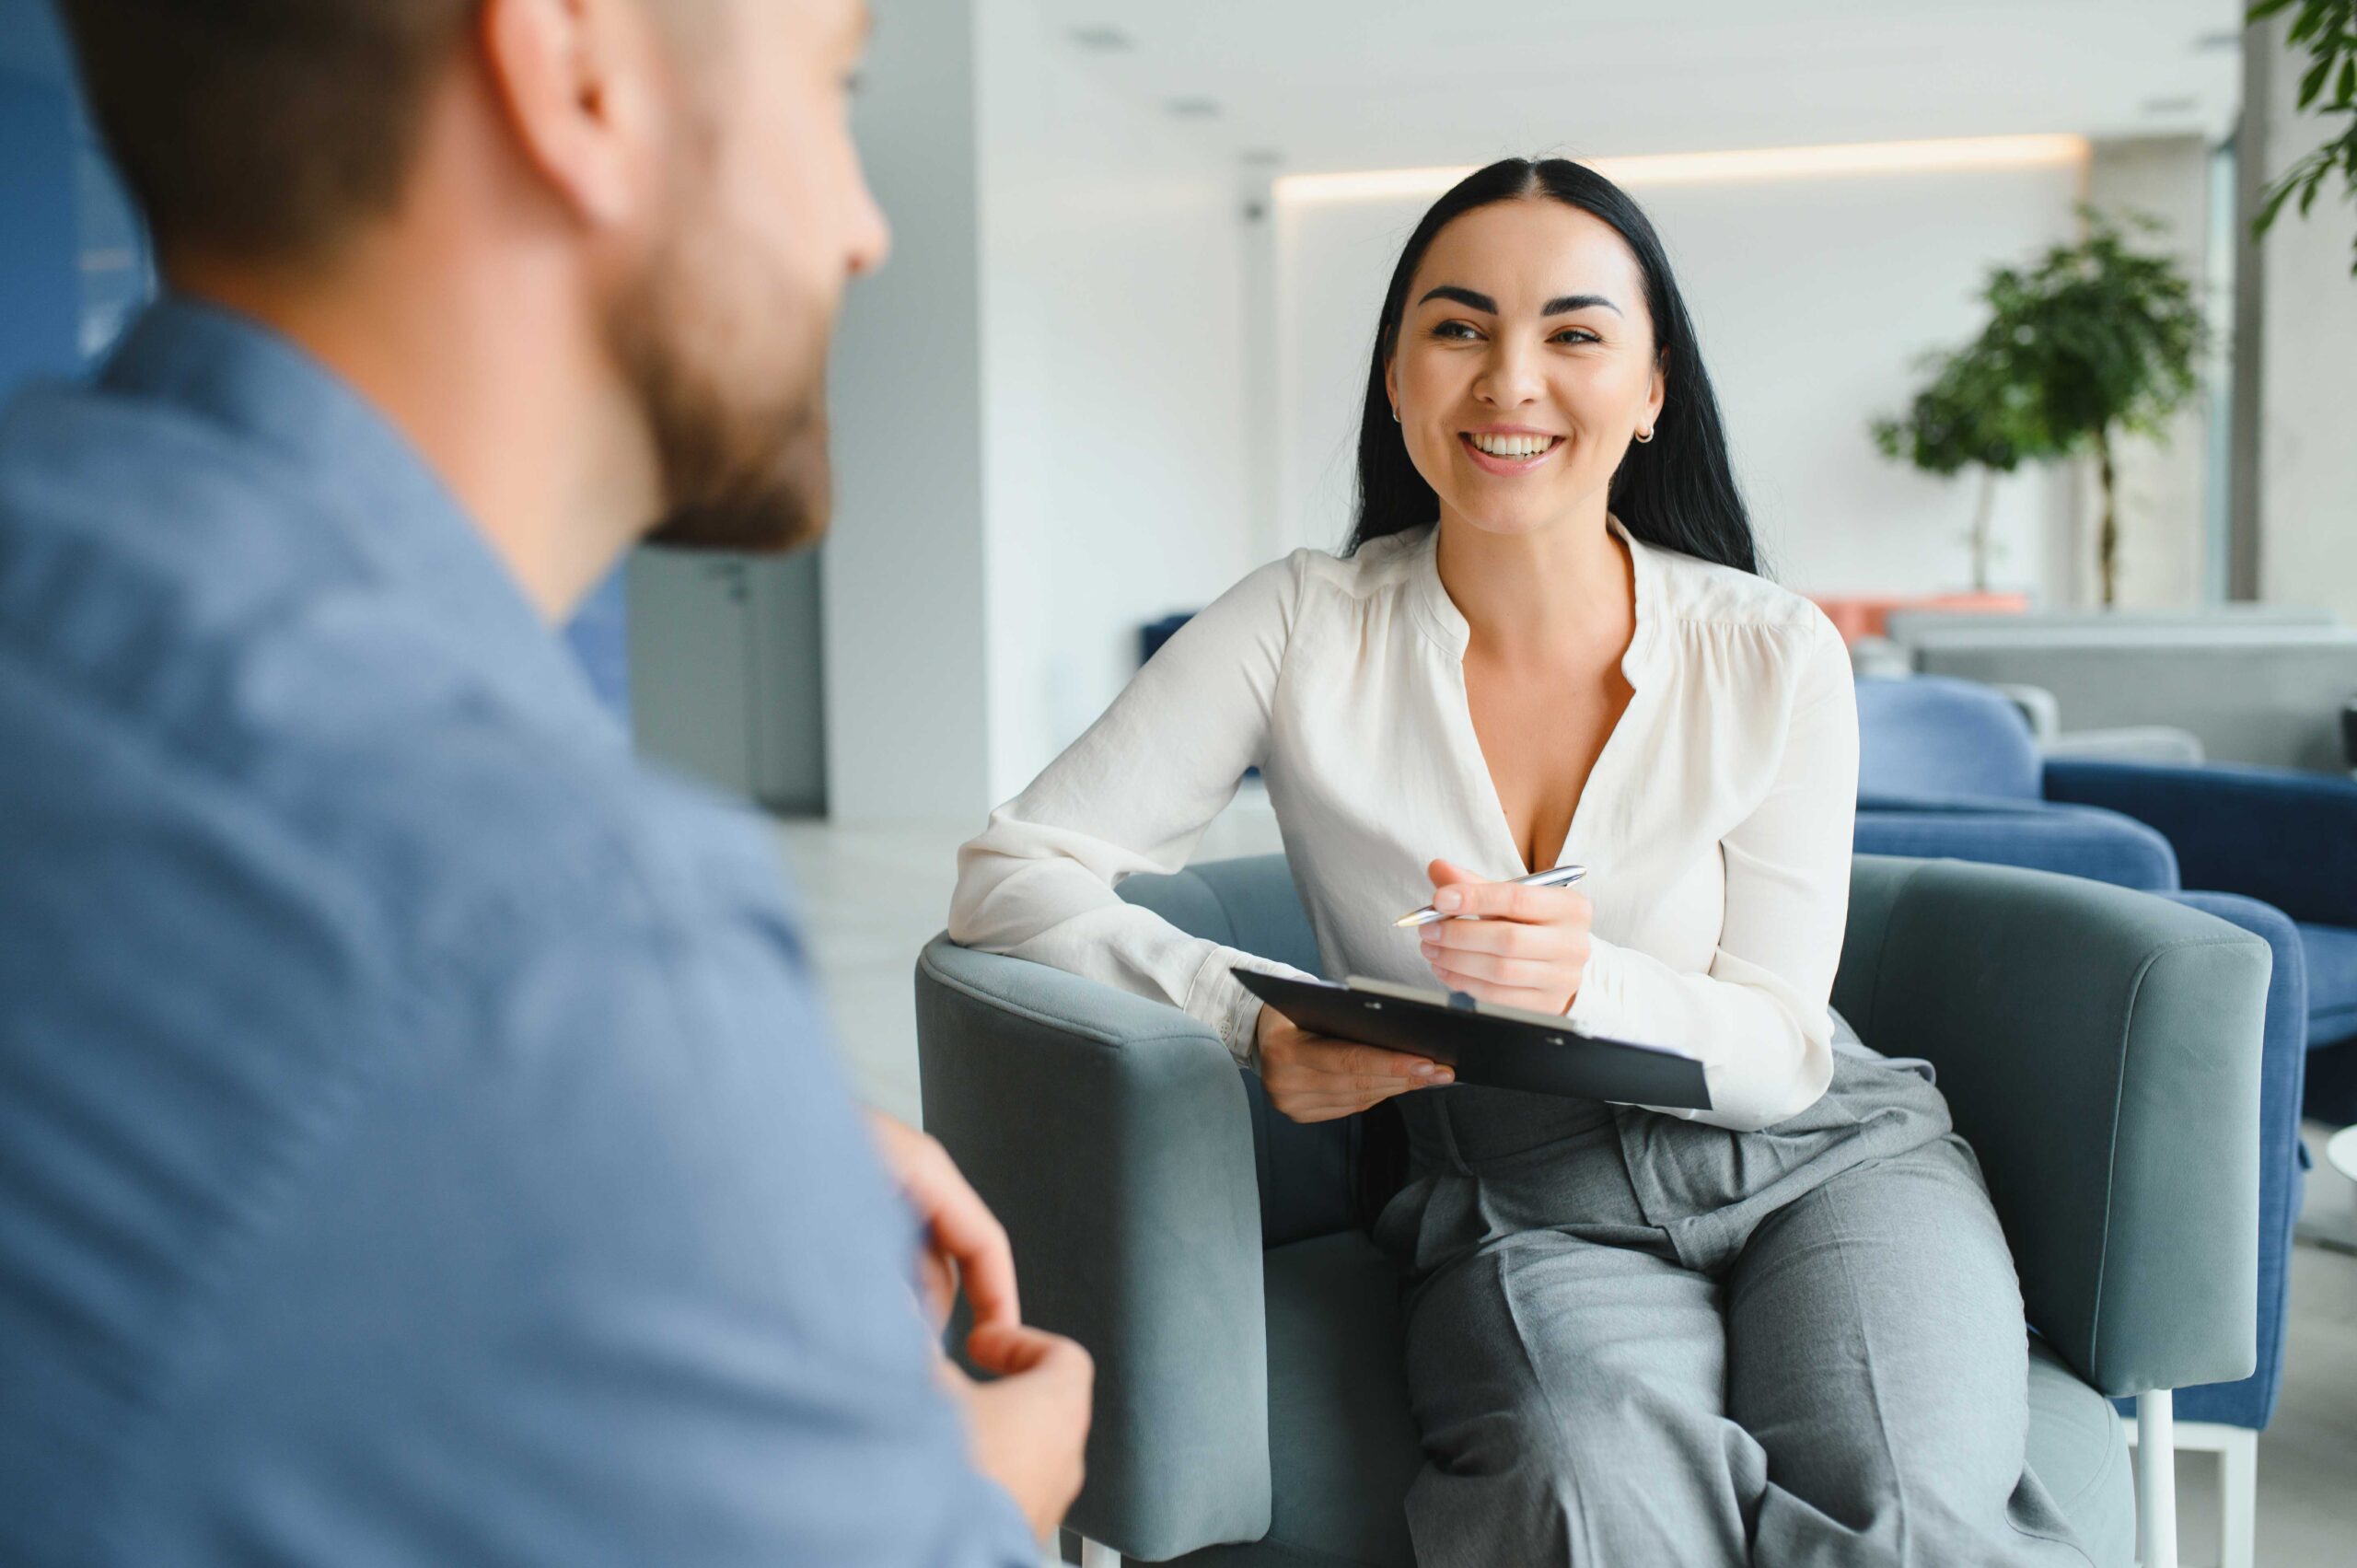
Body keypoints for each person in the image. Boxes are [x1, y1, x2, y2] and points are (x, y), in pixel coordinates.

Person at [0, 2, 1089, 1563]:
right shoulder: (561, 923)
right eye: (832, 89)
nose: (864, 230)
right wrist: (985, 1500)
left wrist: (666, 1150)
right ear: (576, 73)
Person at [951, 158, 2091, 1565]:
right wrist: (1246, 1015)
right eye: (1458, 327)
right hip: (1520, 1201)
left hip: (1829, 1162)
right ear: (1395, 373)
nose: (1509, 379)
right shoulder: (1297, 627)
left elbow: (1786, 1053)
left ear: (1653, 385)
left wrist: (1586, 983)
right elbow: (1014, 874)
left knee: (1908, 1521)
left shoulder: (1771, 646)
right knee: (1586, 1500)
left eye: (1573, 332)